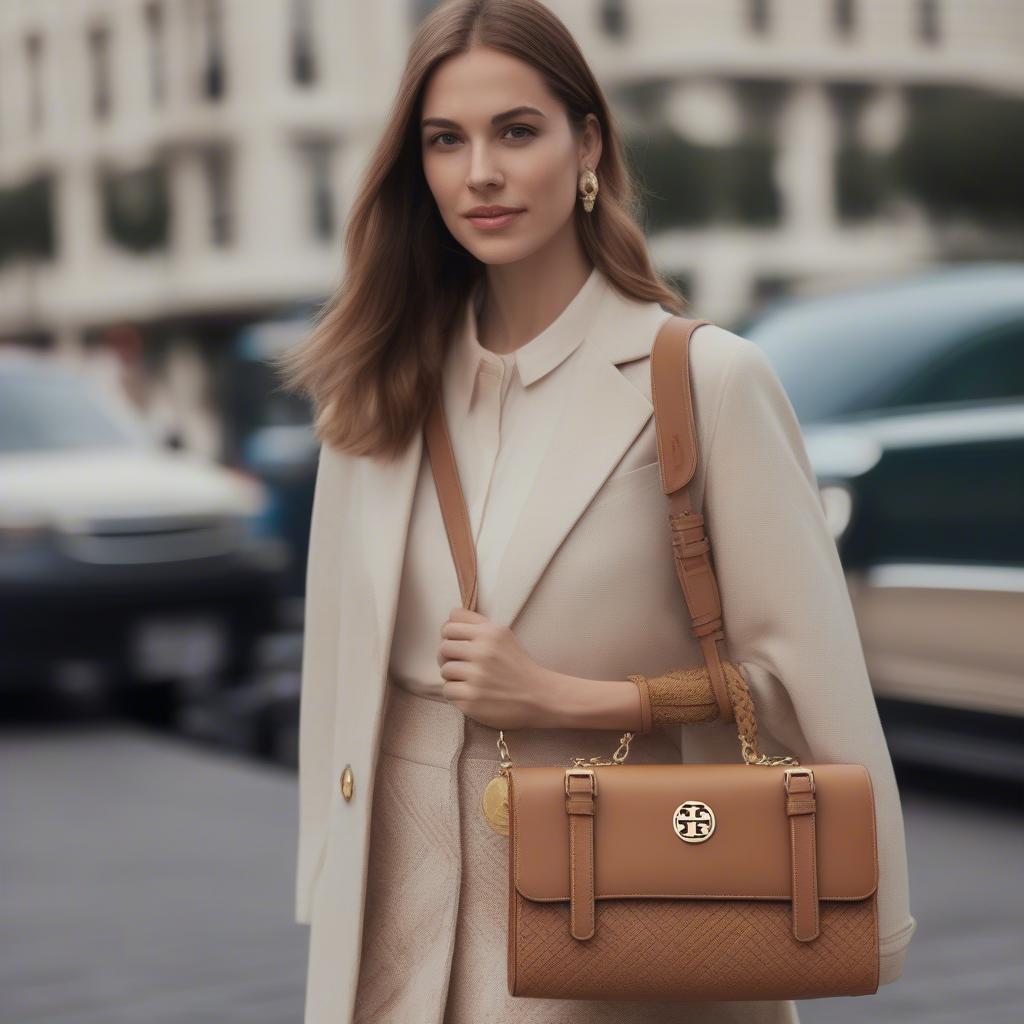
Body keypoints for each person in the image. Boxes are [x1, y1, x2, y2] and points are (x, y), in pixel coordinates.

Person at [276, 2, 916, 1022]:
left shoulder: (703, 379)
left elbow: (800, 681)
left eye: (515, 131)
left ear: (588, 143)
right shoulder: (371, 389)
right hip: (394, 932)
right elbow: (338, 683)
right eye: (446, 141)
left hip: (620, 916)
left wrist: (574, 701)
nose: (479, 171)